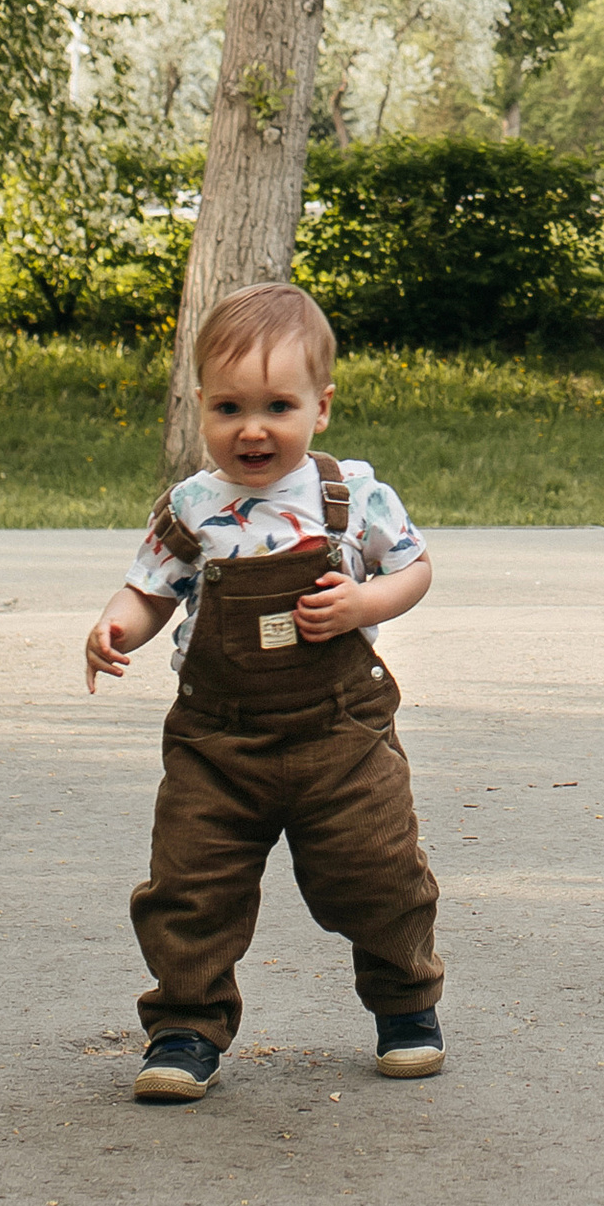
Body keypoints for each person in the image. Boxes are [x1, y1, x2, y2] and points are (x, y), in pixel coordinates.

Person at [84, 279, 445, 1102]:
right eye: (229, 408)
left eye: (278, 407)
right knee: (190, 885)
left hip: (341, 733)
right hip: (217, 740)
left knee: (378, 870)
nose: (252, 429)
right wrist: (115, 628)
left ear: (321, 408)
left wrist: (364, 605)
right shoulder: (190, 509)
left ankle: (406, 1005)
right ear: (199, 408)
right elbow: (150, 590)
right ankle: (186, 1025)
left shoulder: (350, 497)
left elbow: (414, 568)